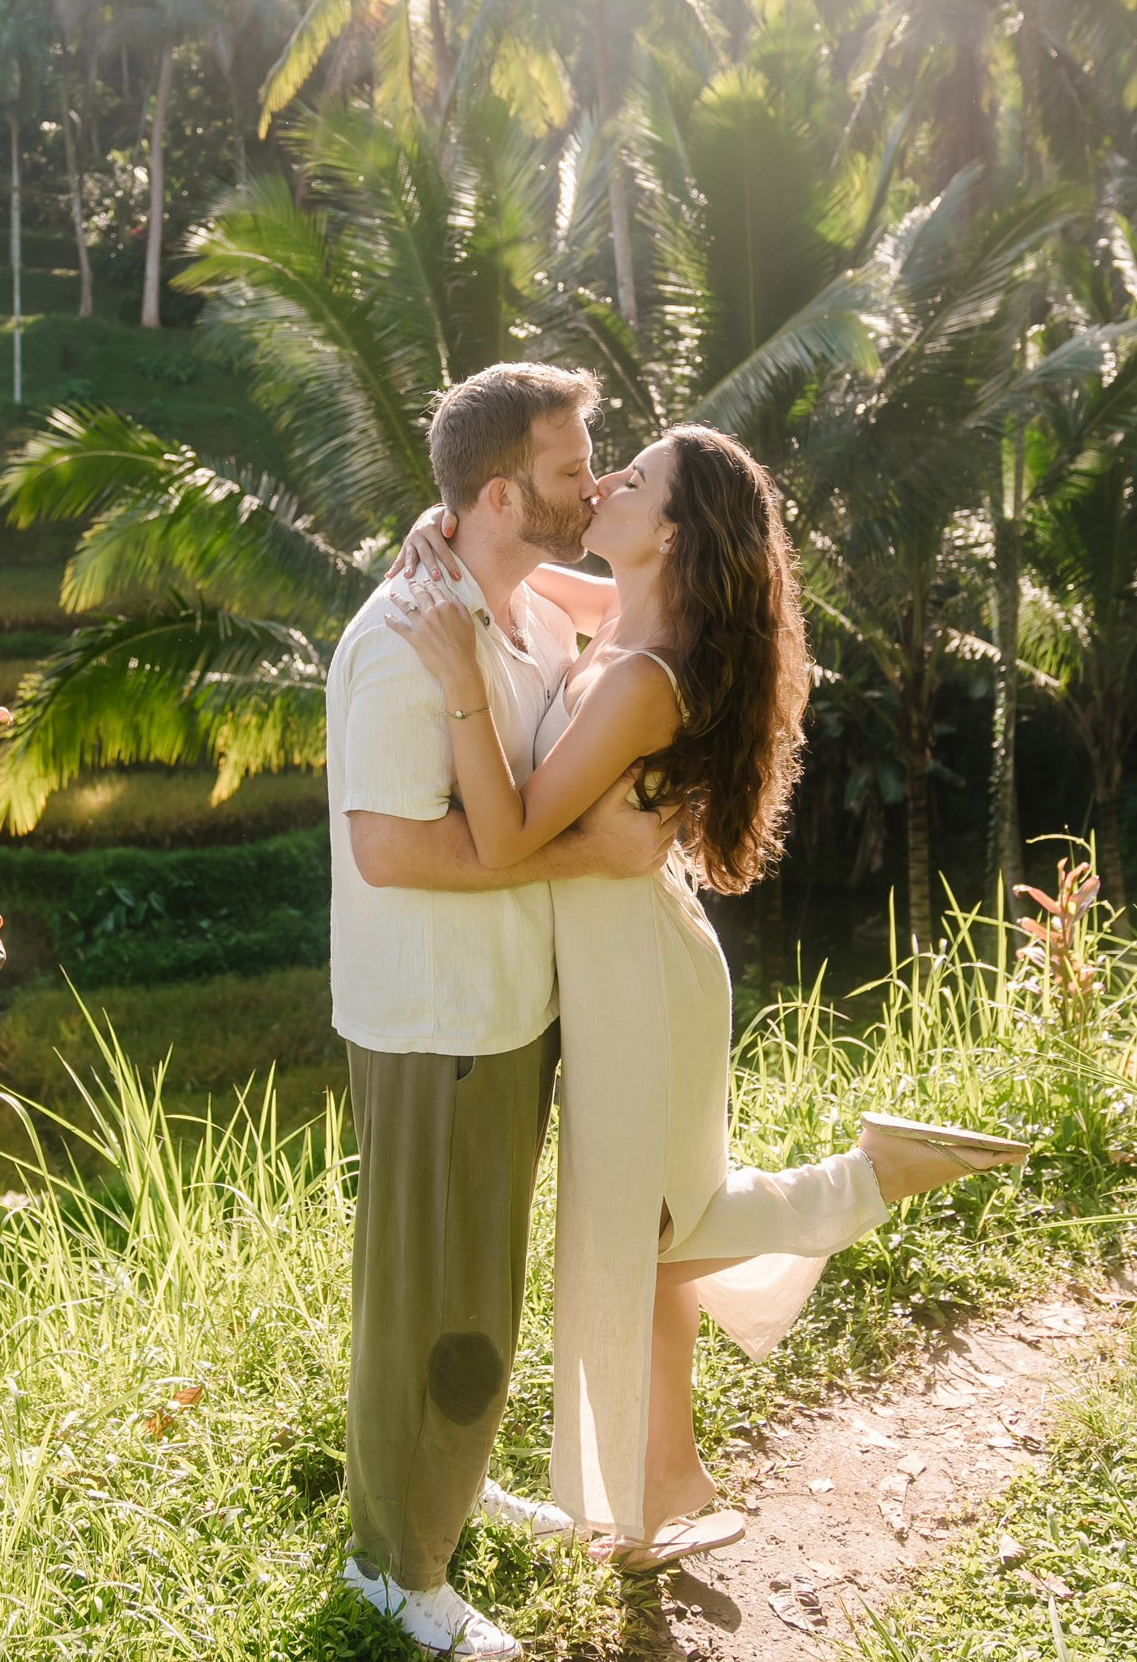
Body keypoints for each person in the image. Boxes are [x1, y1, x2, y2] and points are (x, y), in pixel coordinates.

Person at [384, 424, 1028, 1571]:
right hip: (634, 958)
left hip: (642, 976)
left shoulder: (639, 677)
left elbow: (510, 829)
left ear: (670, 528)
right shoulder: (628, 616)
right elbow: (513, 568)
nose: (606, 482)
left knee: (656, 1230)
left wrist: (454, 685)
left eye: (630, 478)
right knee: (652, 1224)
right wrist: (442, 529)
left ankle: (868, 1172)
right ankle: (654, 1497)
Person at [326, 362, 675, 1660]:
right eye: (571, 464)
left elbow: (616, 599)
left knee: (480, 1283)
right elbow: (391, 849)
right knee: (432, 1292)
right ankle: (393, 1564)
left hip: (504, 1012)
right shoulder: (404, 643)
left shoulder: (510, 604)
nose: (593, 480)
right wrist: (584, 854)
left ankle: (445, 1497)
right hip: (437, 1022)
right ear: (496, 490)